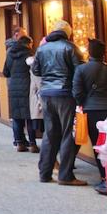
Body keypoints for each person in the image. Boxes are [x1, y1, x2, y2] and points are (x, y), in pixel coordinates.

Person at [31, 20, 85, 186]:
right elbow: (80, 71)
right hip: (65, 93)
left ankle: (45, 173)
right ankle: (65, 175)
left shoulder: (42, 48)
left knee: (50, 133)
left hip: (47, 93)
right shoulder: (70, 47)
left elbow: (35, 70)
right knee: (69, 133)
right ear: (67, 33)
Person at [73, 38, 107, 194]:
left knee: (98, 144)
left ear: (89, 52)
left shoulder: (81, 70)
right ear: (103, 53)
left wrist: (84, 103)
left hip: (91, 111)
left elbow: (76, 92)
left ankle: (104, 177)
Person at [3, 34, 38, 152]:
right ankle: (32, 144)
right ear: (28, 44)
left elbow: (5, 72)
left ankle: (19, 144)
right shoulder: (29, 55)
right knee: (30, 117)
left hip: (13, 88)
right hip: (28, 88)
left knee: (17, 117)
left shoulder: (10, 55)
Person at [26, 53, 43, 152]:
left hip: (31, 94)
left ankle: (28, 142)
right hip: (40, 97)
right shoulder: (37, 66)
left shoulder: (32, 65)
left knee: (27, 119)